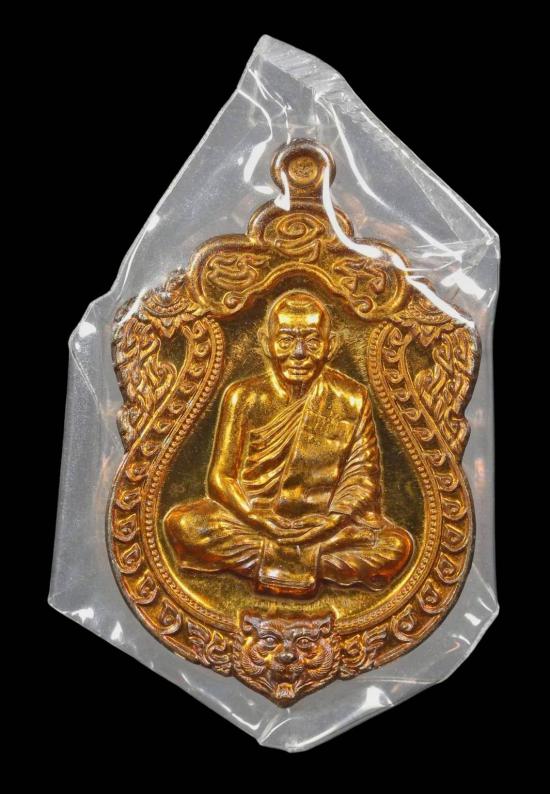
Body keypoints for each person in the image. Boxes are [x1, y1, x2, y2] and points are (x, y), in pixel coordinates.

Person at [165, 290, 413, 597]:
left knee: (395, 547)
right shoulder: (244, 396)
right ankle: (309, 562)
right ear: (266, 342)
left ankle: (278, 559)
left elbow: (362, 478)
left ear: (331, 345)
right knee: (185, 525)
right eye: (285, 340)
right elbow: (221, 478)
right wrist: (258, 519)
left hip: (324, 526)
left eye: (312, 341)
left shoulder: (351, 398)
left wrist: (331, 523)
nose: (298, 353)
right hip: (253, 521)